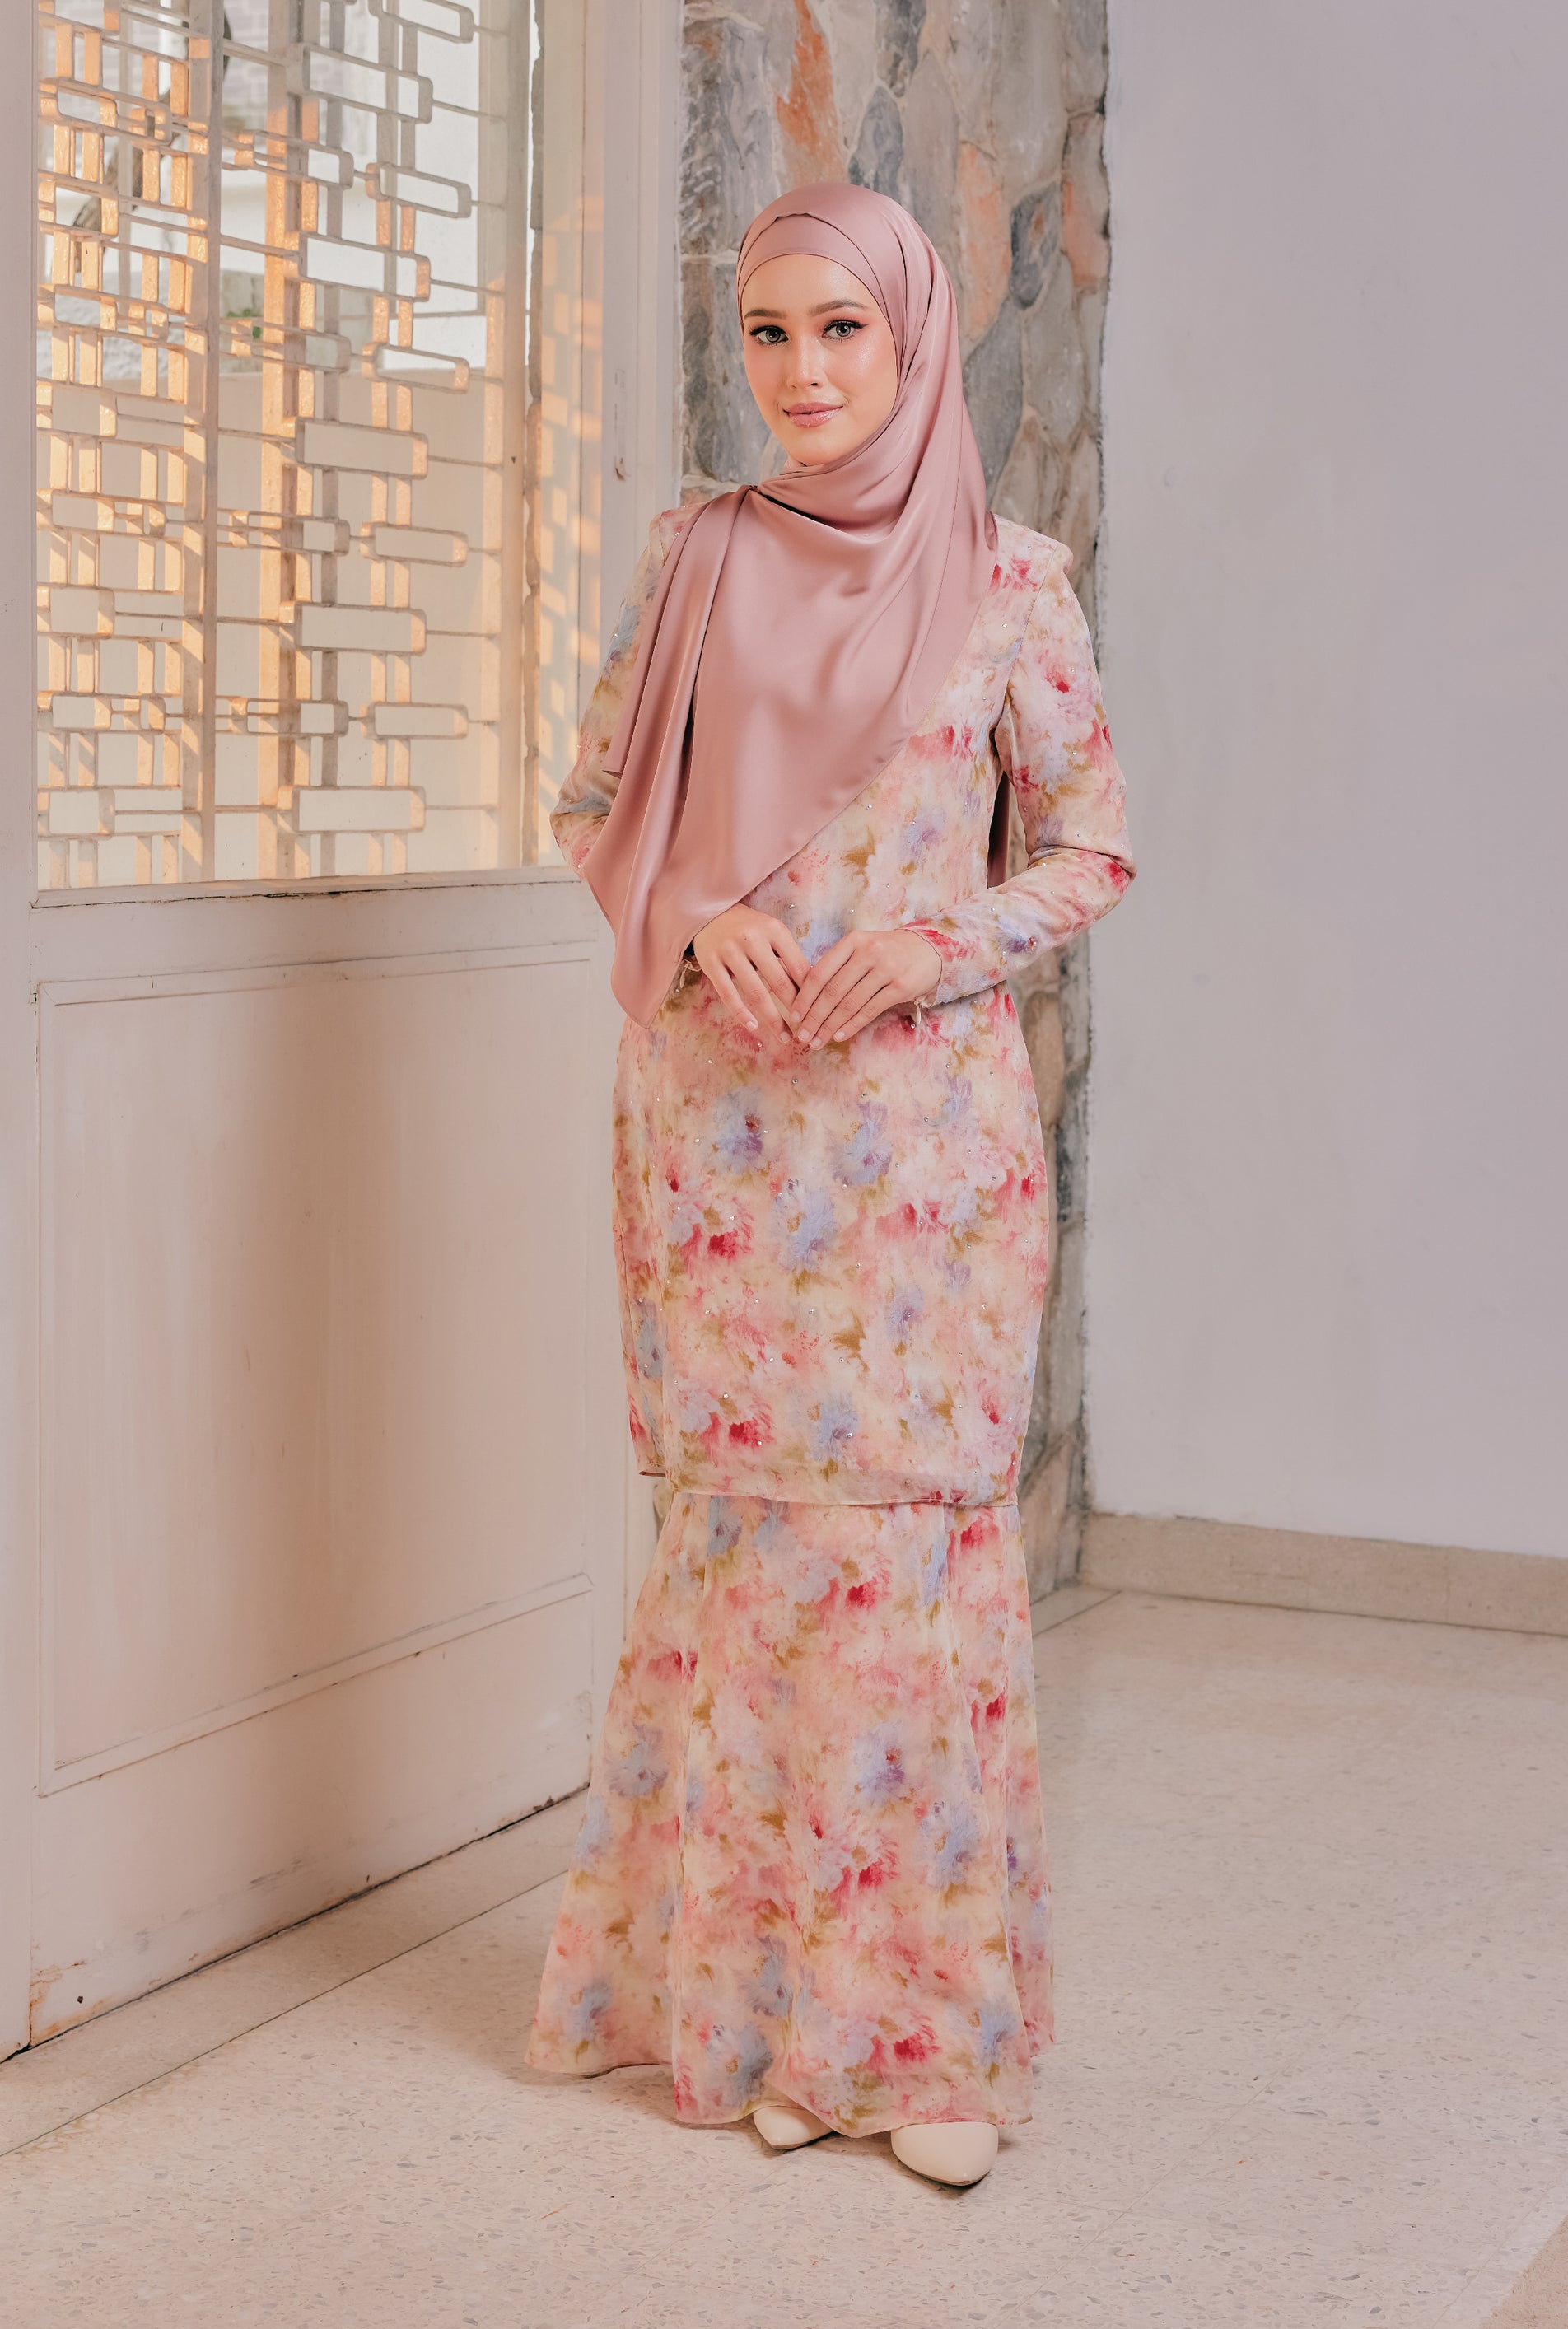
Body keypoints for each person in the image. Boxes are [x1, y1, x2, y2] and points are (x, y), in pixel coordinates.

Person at [526, 181, 1133, 2189]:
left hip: (915, 1151)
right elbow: (594, 802)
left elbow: (1093, 848)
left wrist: (932, 945)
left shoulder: (1011, 582)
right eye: (768, 332)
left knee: (908, 1572)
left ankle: (924, 2045)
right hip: (719, 1131)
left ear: (912, 336)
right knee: (753, 1565)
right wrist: (697, 915)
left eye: (839, 331)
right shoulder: (694, 553)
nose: (799, 371)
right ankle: (772, 2020)